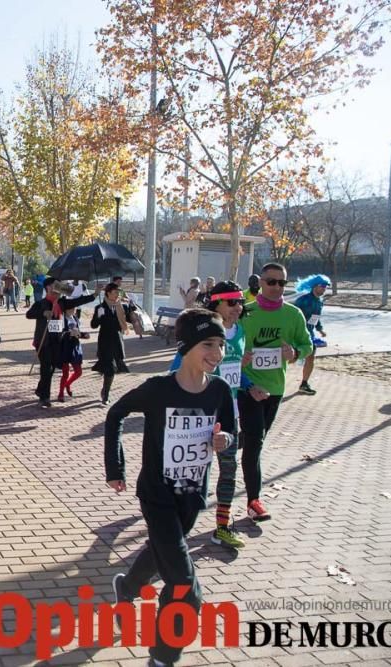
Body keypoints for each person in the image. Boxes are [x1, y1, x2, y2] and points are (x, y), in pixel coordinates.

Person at [106, 308, 236, 667]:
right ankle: (163, 657)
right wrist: (115, 467)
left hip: (192, 496)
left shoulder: (220, 391)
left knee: (162, 551)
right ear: (187, 345)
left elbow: (232, 435)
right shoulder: (158, 389)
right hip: (157, 496)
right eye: (208, 344)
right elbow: (116, 413)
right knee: (184, 588)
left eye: (221, 344)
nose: (217, 353)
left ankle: (127, 588)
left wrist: (225, 440)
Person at [169, 281, 253, 550]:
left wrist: (251, 385)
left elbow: (234, 370)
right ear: (216, 303)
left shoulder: (239, 332)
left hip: (229, 416)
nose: (238, 308)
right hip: (198, 416)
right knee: (190, 476)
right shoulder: (201, 332)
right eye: (232, 302)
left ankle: (222, 527)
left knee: (229, 471)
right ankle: (174, 527)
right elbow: (176, 369)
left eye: (240, 302)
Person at [238, 262, 313, 522]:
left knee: (254, 437)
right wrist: (239, 359)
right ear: (260, 282)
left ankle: (239, 439)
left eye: (282, 283)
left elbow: (306, 344)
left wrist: (295, 354)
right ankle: (254, 501)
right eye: (271, 282)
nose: (277, 287)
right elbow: (225, 346)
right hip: (246, 386)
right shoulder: (244, 313)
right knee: (255, 443)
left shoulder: (293, 315)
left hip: (275, 388)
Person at [27, 279, 96, 409]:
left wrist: (95, 295)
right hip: (43, 341)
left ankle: (40, 389)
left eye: (58, 285)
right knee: (46, 368)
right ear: (48, 287)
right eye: (54, 285)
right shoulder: (41, 303)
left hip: (58, 341)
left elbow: (77, 301)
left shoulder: (62, 302)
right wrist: (43, 313)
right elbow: (29, 314)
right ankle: (44, 397)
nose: (57, 287)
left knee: (52, 368)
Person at [90, 283, 130, 405]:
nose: (117, 294)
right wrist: (98, 316)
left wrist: (131, 304)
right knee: (110, 369)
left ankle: (105, 389)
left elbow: (128, 319)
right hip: (105, 341)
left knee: (114, 367)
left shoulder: (121, 306)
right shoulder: (100, 307)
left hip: (117, 340)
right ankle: (106, 394)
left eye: (118, 292)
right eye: (115, 292)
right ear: (108, 293)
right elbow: (93, 325)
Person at [293, 274, 331, 395]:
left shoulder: (320, 302)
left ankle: (304, 383)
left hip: (309, 334)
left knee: (310, 357)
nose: (324, 289)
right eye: (322, 286)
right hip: (295, 334)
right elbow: (292, 316)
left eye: (326, 287)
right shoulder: (303, 300)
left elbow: (315, 318)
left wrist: (320, 329)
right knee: (289, 358)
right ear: (314, 286)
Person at [57, 302, 87, 402]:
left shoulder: (76, 318)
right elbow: (58, 334)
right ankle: (61, 393)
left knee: (78, 372)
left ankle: (68, 384)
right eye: (72, 307)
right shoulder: (61, 318)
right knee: (65, 373)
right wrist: (69, 334)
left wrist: (83, 335)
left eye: (74, 307)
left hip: (75, 348)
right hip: (65, 348)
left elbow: (78, 332)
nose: (74, 309)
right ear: (66, 309)